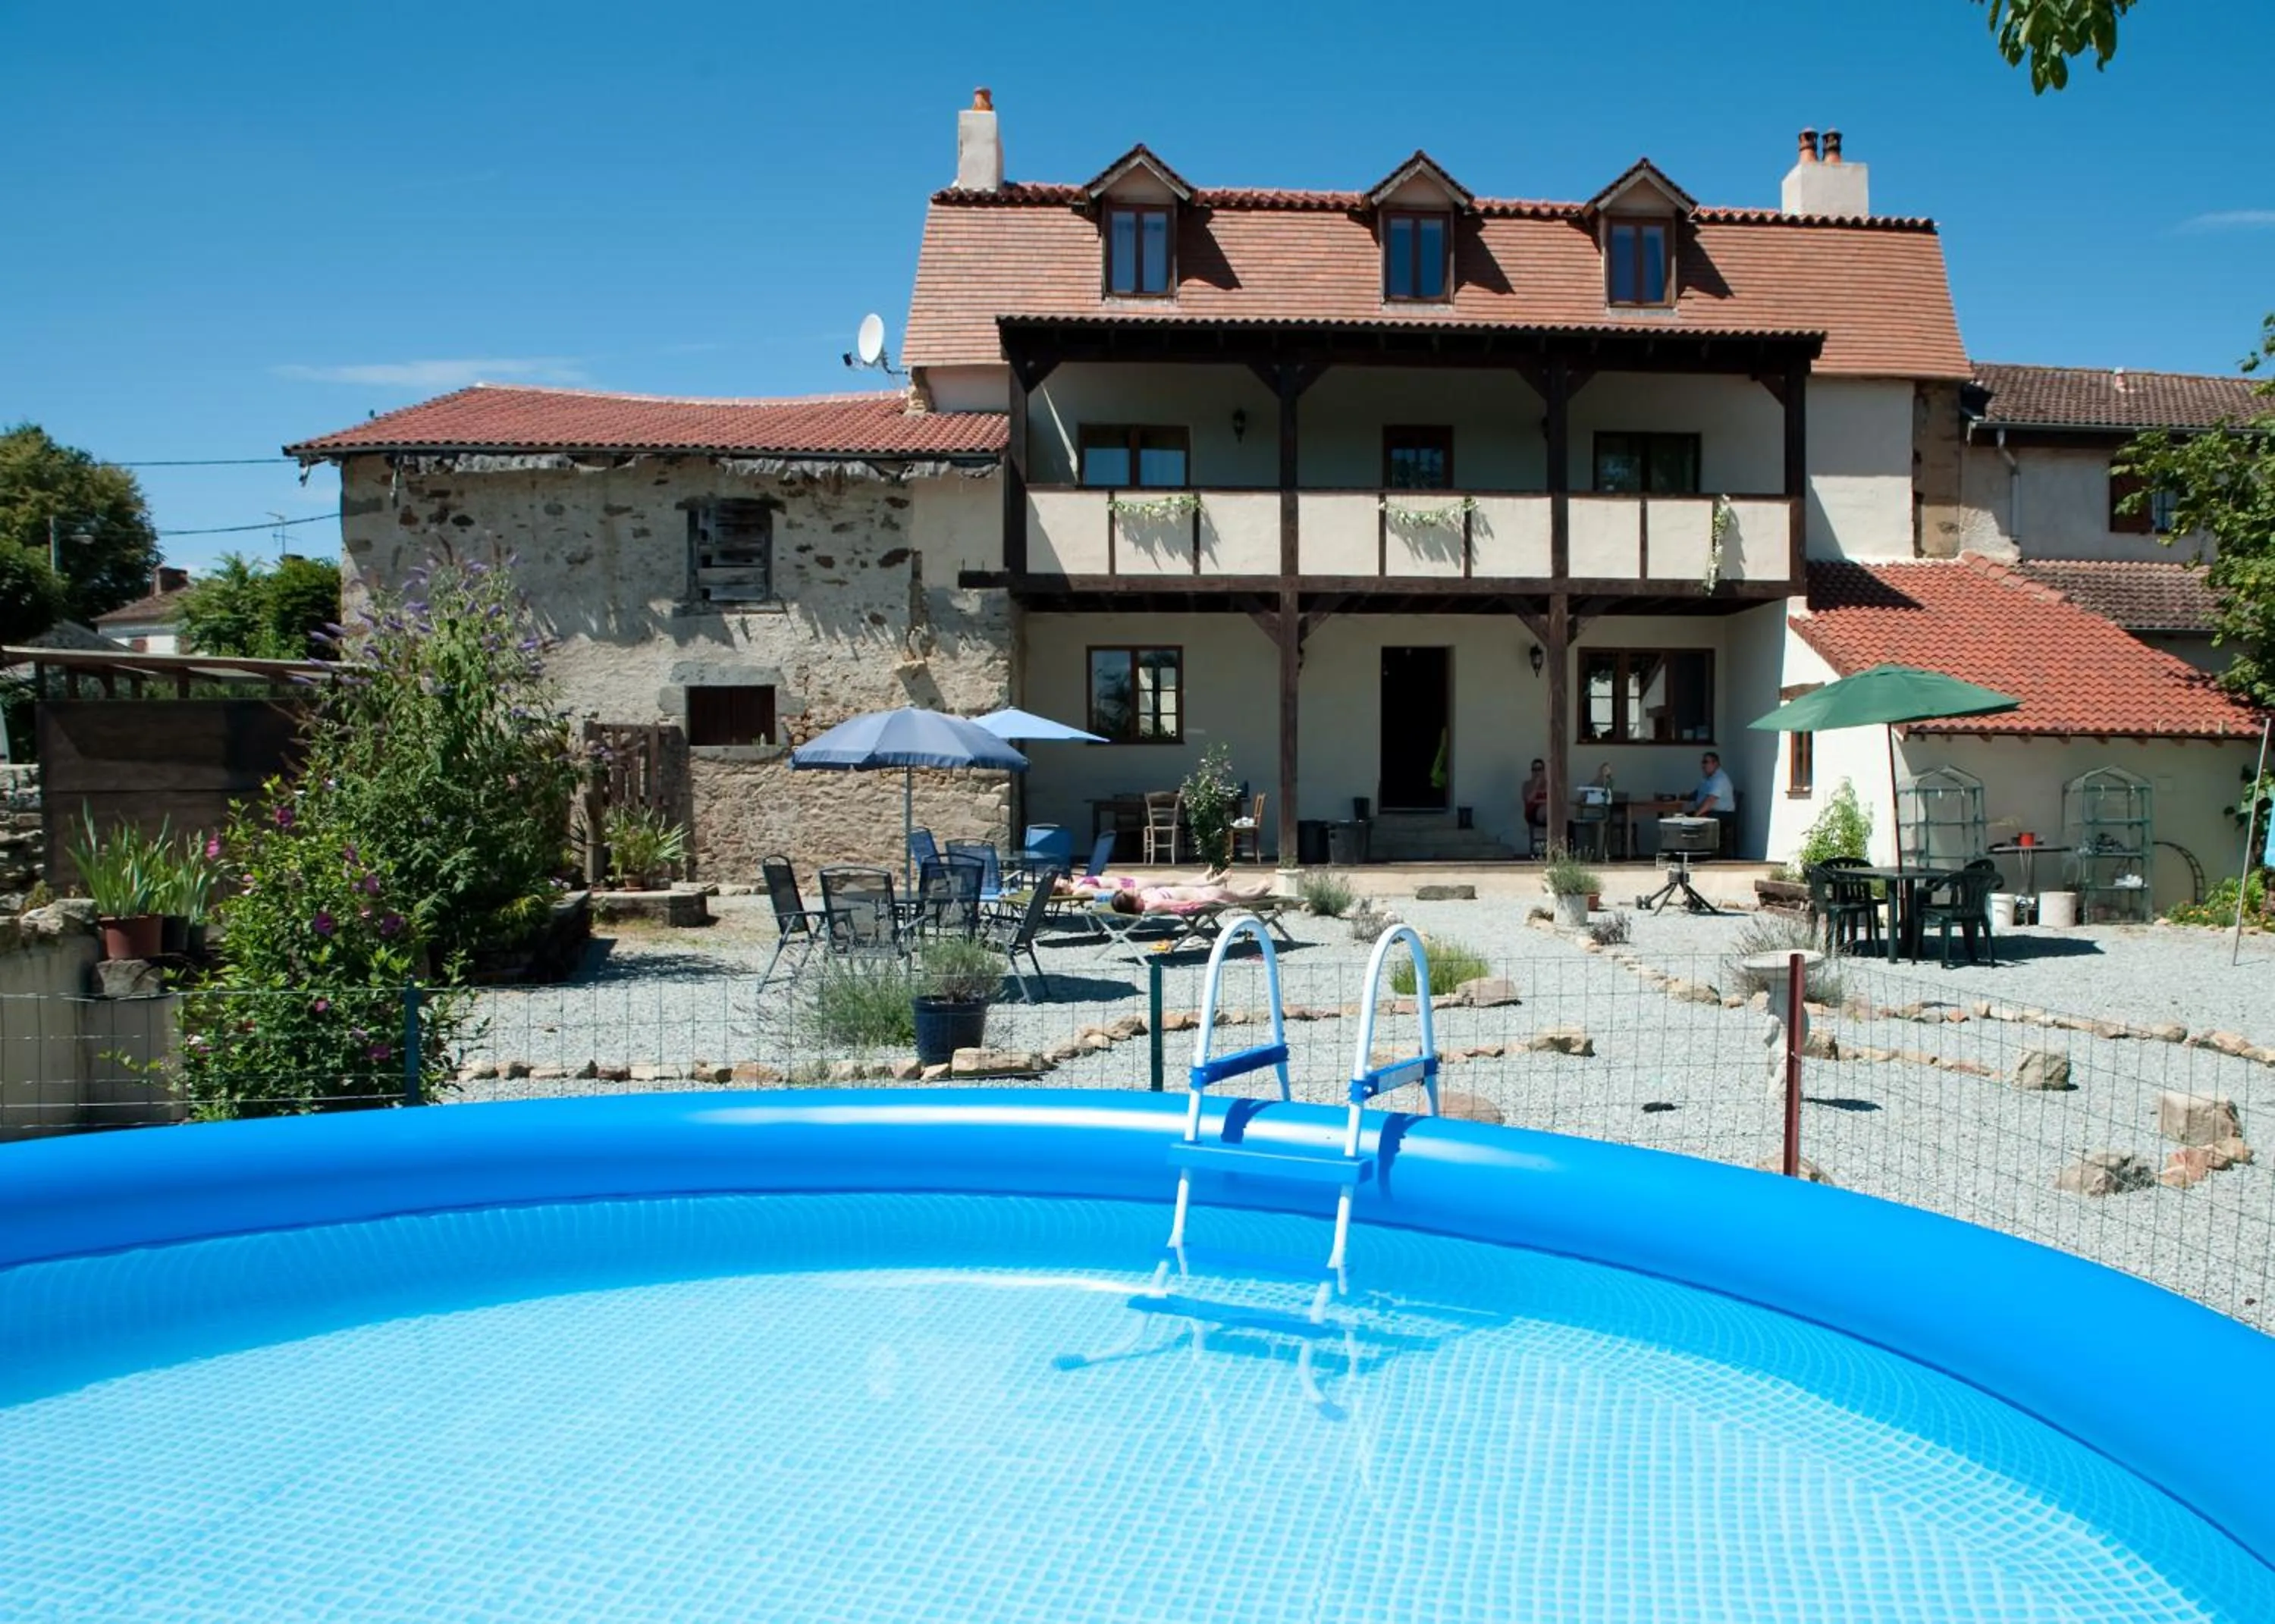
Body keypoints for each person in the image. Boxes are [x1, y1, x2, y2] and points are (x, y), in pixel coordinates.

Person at [1690, 751, 1734, 816]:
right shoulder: (1708, 778)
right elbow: (1697, 793)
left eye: (1706, 762)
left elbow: (1711, 800)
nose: (1703, 766)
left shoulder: (1720, 779)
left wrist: (1696, 816)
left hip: (1722, 815)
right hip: (1709, 812)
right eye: (1702, 762)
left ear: (1715, 764)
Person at [1521, 760, 1549, 848]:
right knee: (1544, 809)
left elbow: (1554, 800)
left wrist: (1539, 801)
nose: (1537, 772)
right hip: (1533, 812)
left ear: (1544, 771)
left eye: (1539, 769)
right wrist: (1536, 786)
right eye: (1534, 770)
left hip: (1550, 811)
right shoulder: (1527, 785)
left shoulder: (1549, 785)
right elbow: (1529, 800)